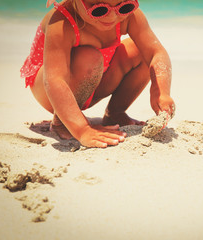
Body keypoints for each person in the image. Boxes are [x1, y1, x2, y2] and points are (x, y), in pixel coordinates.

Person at [20, 0, 175, 148]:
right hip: (51, 89)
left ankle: (115, 112)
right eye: (99, 9)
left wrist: (160, 91)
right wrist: (82, 129)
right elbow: (54, 80)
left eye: (124, 6)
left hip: (95, 78)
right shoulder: (61, 21)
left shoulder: (129, 17)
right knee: (89, 58)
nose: (112, 16)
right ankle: (61, 121)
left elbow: (156, 52)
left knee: (141, 51)